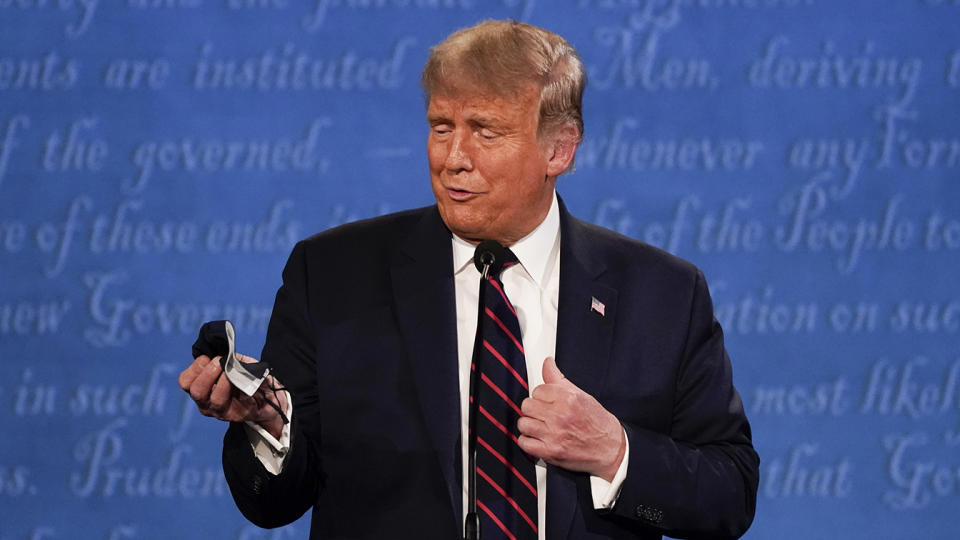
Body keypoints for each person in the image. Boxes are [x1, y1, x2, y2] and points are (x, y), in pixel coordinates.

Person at [179, 20, 758, 540]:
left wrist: (615, 453)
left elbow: (729, 494)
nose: (453, 157)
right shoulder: (332, 275)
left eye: (485, 131)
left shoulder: (661, 294)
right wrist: (267, 429)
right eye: (440, 127)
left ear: (560, 147)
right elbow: (275, 504)